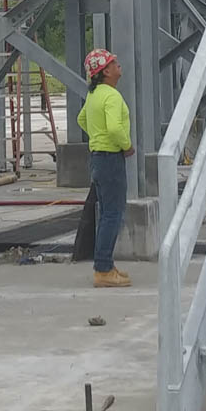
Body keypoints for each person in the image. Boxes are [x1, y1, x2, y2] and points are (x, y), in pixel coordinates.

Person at [76, 48, 134, 289]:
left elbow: (81, 119)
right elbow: (114, 128)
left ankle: (106, 264)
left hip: (97, 158)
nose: (118, 64)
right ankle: (103, 269)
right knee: (113, 214)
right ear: (105, 71)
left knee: (107, 213)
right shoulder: (111, 96)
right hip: (111, 158)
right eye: (113, 62)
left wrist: (96, 136)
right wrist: (127, 145)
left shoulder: (94, 95)